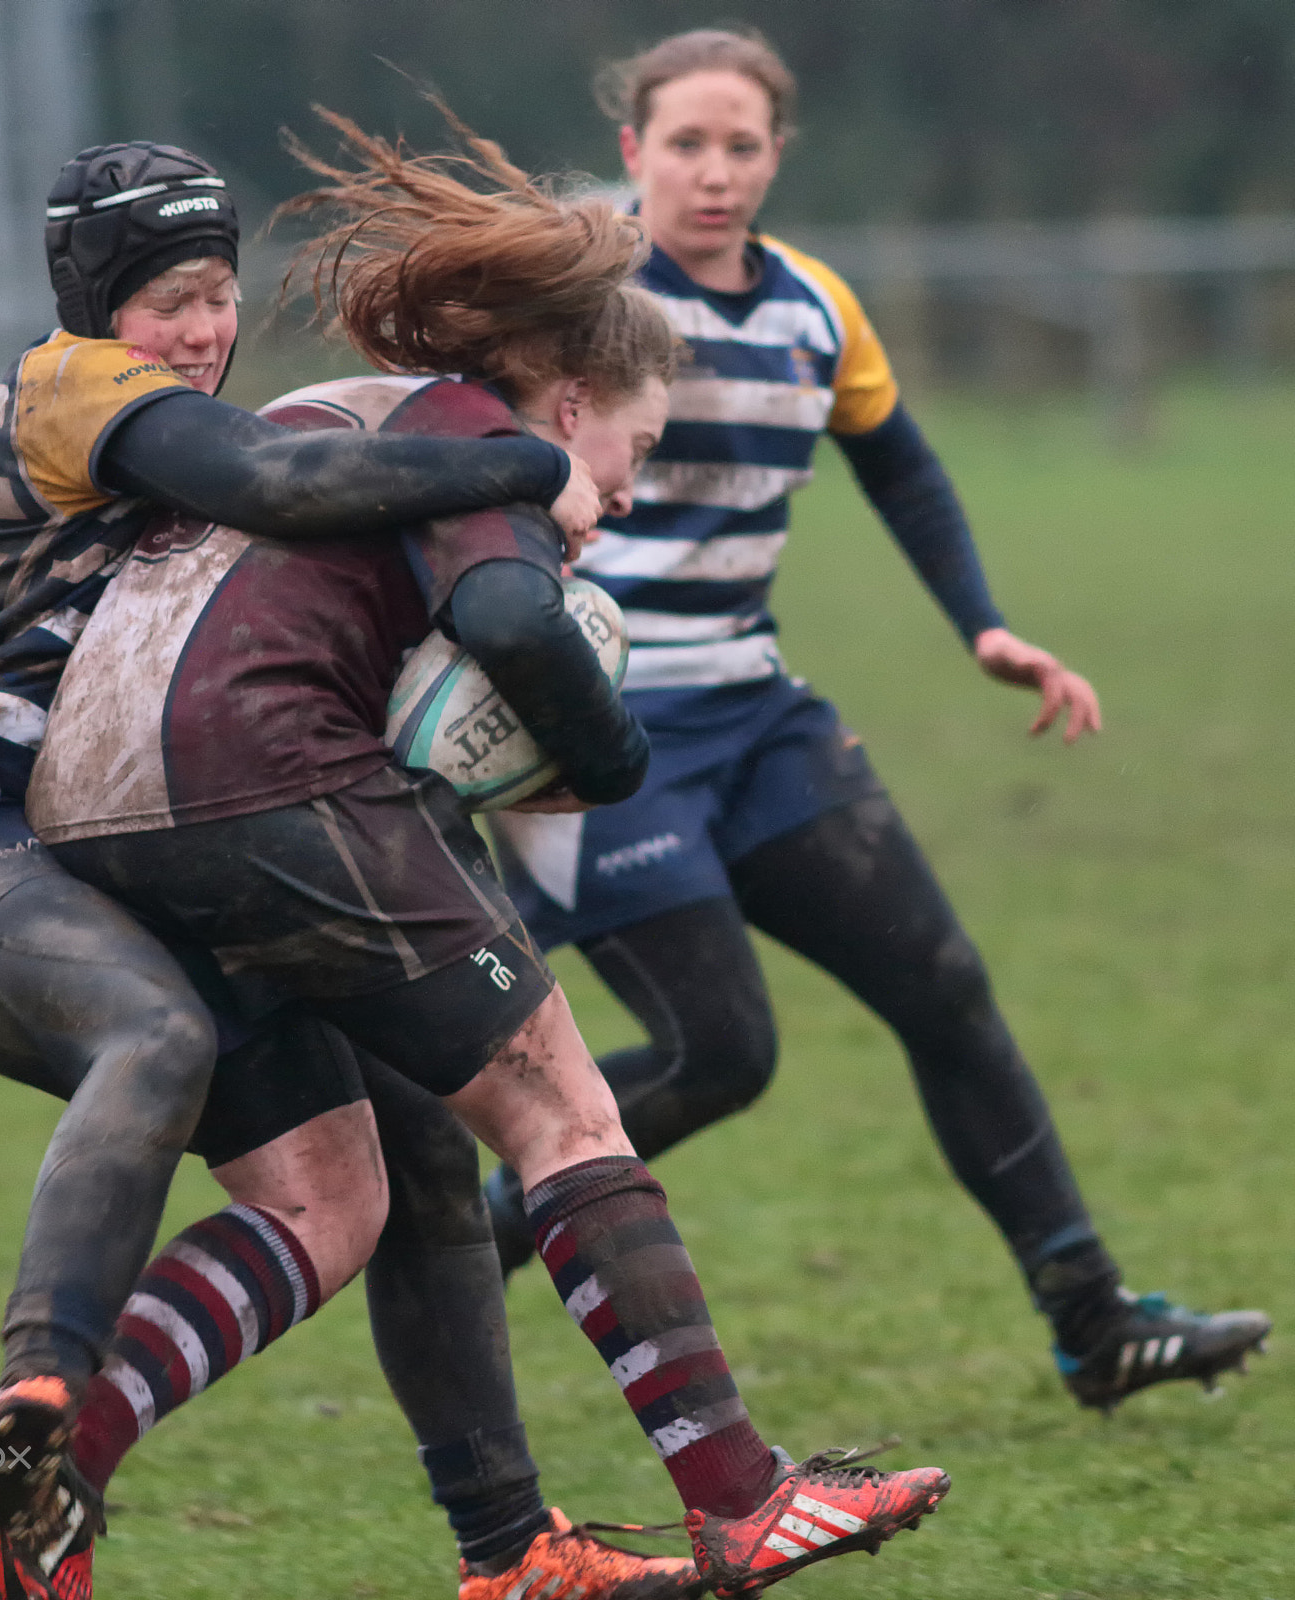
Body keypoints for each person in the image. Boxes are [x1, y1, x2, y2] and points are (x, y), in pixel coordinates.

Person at [24, 105, 951, 1600]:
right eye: (635, 452)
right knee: (571, 1116)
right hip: (265, 786)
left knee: (355, 1192)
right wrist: (608, 757)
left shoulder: (346, 411)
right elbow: (513, 626)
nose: (631, 494)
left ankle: (61, 1472)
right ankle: (742, 1495)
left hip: (107, 817)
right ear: (573, 399)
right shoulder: (484, 442)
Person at [0, 138, 650, 1600]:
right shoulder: (77, 385)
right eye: (170, 300)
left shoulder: (174, 428)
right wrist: (531, 462)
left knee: (410, 1163)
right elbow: (280, 476)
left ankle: (512, 1550)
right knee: (156, 1036)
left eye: (218, 294)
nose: (204, 329)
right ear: (98, 304)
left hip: (125, 861)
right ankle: (42, 1396)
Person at [482, 28, 1270, 1412]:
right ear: (632, 151)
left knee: (946, 990)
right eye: (685, 143)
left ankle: (1095, 1322)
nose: (714, 172)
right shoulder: (569, 291)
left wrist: (985, 626)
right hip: (588, 742)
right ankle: (455, 1239)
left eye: (741, 146)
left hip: (757, 716)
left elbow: (904, 470)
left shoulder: (814, 311)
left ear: (778, 156)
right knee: (718, 1053)